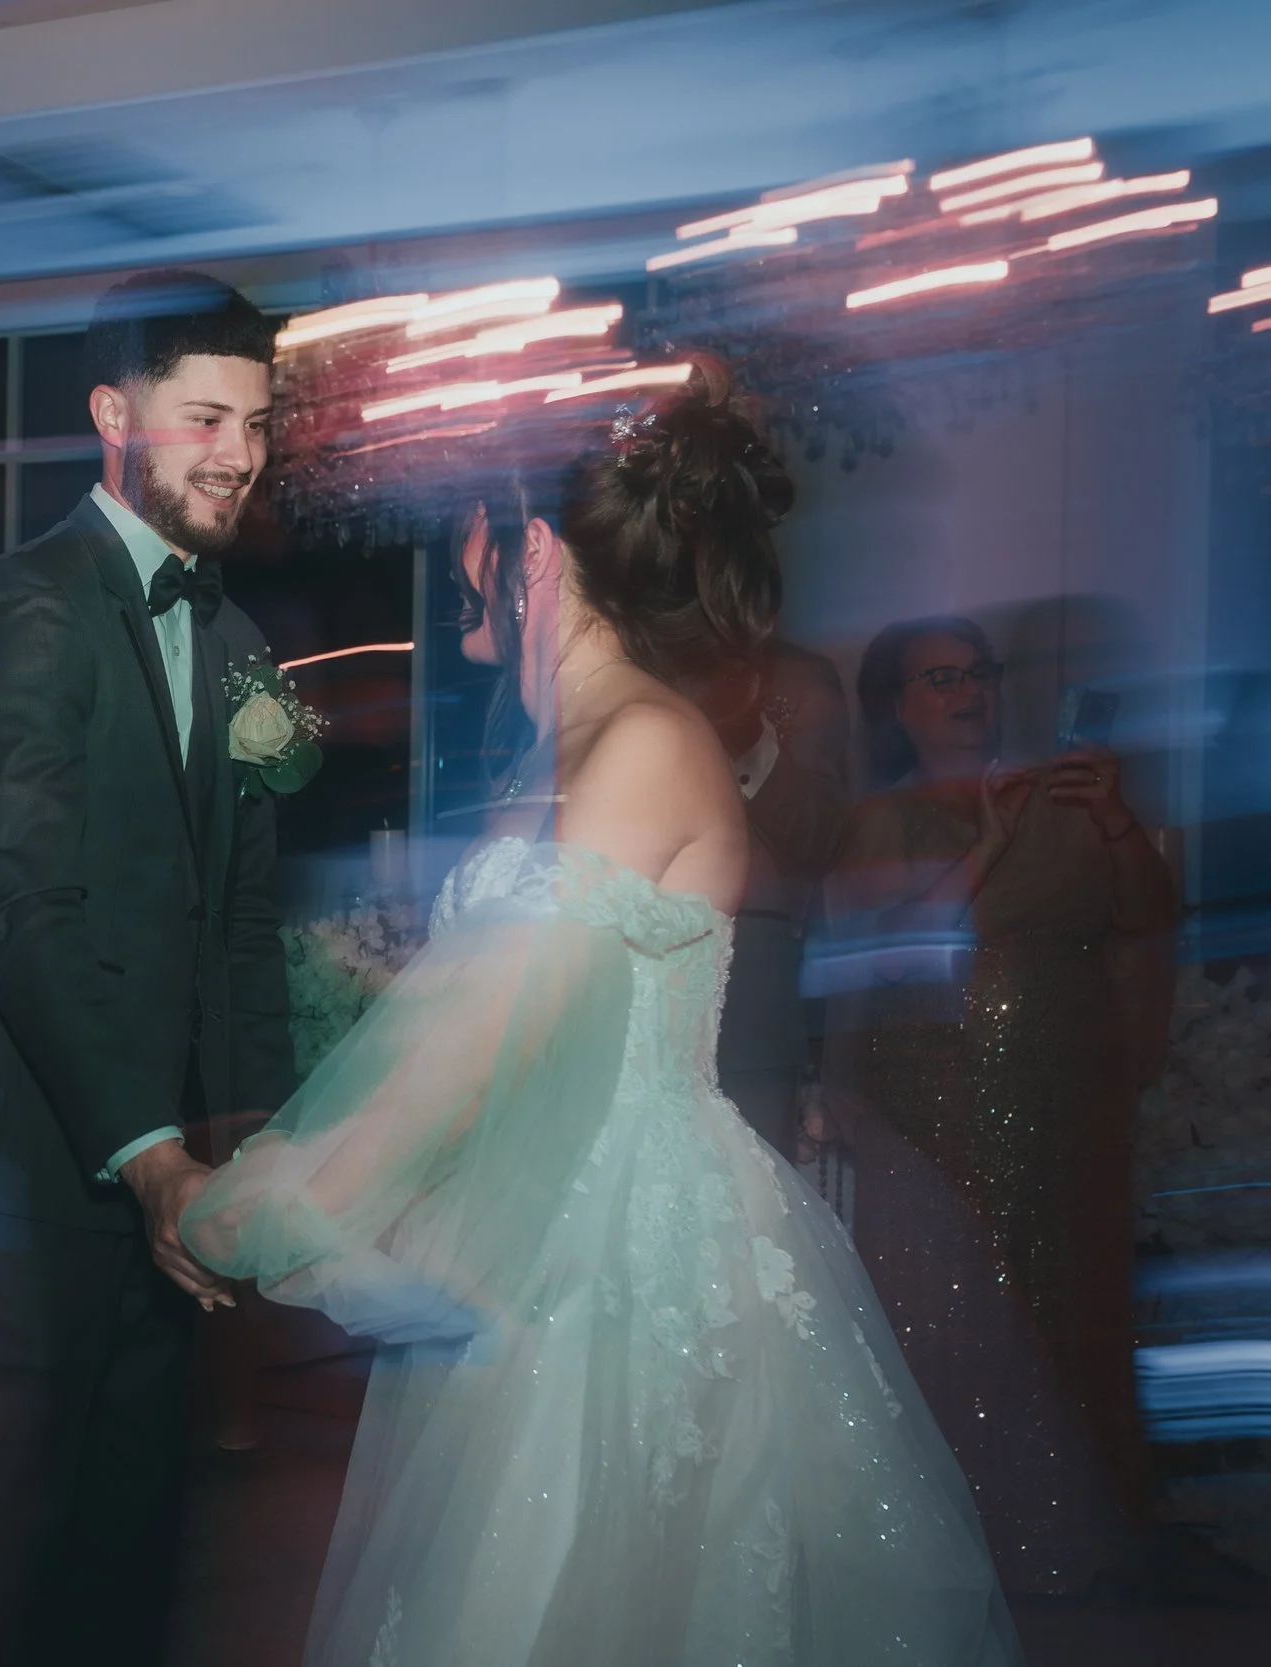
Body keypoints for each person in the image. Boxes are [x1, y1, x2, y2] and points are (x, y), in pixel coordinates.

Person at [181, 368, 1021, 1664]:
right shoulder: (567, 746)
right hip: (542, 1208)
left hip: (624, 1239)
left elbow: (493, 1028)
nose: (453, 566)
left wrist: (287, 1189)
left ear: (528, 550)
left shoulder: (643, 740)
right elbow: (497, 998)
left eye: (467, 535)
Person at [0, 269, 297, 1667]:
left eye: (256, 422)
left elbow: (239, 916)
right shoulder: (28, 605)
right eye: (205, 418)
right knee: (14, 1526)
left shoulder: (234, 640)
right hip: (31, 1158)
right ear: (115, 416)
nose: (240, 453)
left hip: (173, 1166)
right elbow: (24, 914)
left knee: (136, 1507)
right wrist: (148, 1151)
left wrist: (252, 1135)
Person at [817, 615, 1177, 1588]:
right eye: (942, 677)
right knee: (968, 1299)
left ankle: (1082, 1537)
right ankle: (966, 1545)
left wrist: (1113, 818)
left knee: (1076, 1289)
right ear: (897, 706)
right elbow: (883, 954)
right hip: (940, 1085)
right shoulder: (883, 819)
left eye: (979, 671)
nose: (970, 691)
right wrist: (987, 841)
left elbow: (1147, 912)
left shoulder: (1062, 795)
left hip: (1071, 1083)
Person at [700, 639, 851, 1157]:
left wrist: (748, 741)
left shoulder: (798, 681)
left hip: (746, 984)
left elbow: (822, 837)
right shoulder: (618, 652)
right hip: (613, 964)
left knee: (746, 1182)